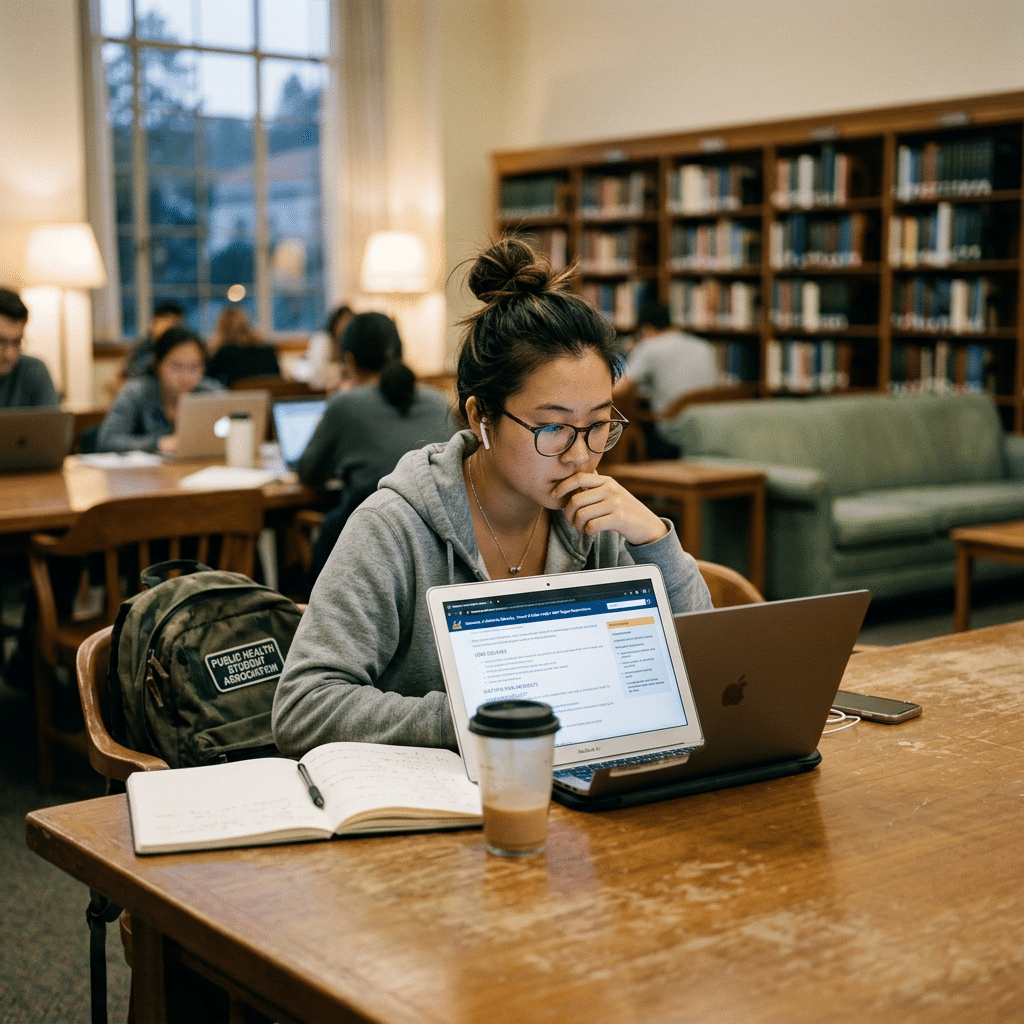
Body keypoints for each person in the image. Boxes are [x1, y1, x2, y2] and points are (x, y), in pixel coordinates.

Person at [272, 237, 712, 757]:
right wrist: (479, 717)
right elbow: (303, 706)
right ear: (481, 417)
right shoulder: (396, 526)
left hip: (577, 790)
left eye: (598, 425)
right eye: (552, 428)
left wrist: (655, 540)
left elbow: (700, 670)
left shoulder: (596, 521)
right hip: (441, 805)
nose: (580, 455)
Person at [294, 311, 455, 586]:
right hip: (441, 554)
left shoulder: (345, 405)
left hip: (366, 556)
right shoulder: (440, 402)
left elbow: (309, 473)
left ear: (350, 360)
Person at [613, 300, 719, 458]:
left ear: (646, 328)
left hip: (671, 435)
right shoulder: (704, 347)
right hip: (706, 428)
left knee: (625, 424)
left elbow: (618, 390)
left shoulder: (650, 347)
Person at [97, 326, 222, 453]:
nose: (186, 377)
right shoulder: (136, 393)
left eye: (194, 367)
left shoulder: (211, 394)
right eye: (177, 366)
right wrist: (158, 443)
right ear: (157, 364)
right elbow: (108, 441)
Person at [0, 287, 59, 408]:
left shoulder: (33, 370)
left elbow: (50, 425)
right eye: (1, 342)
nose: (9, 354)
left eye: (17, 342)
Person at [205, 305, 280, 386]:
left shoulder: (224, 353)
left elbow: (206, 378)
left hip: (239, 397)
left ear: (221, 328)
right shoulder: (267, 349)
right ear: (247, 325)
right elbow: (277, 376)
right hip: (268, 395)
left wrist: (210, 351)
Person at [290, 304, 352, 390]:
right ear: (335, 321)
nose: (345, 326)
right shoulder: (322, 339)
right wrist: (341, 370)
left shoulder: (346, 343)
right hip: (310, 386)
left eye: (349, 322)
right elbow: (319, 370)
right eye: (343, 321)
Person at [122, 300, 186, 380]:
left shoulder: (182, 349)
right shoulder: (144, 346)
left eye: (174, 324)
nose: (168, 327)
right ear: (154, 322)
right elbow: (126, 374)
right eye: (165, 321)